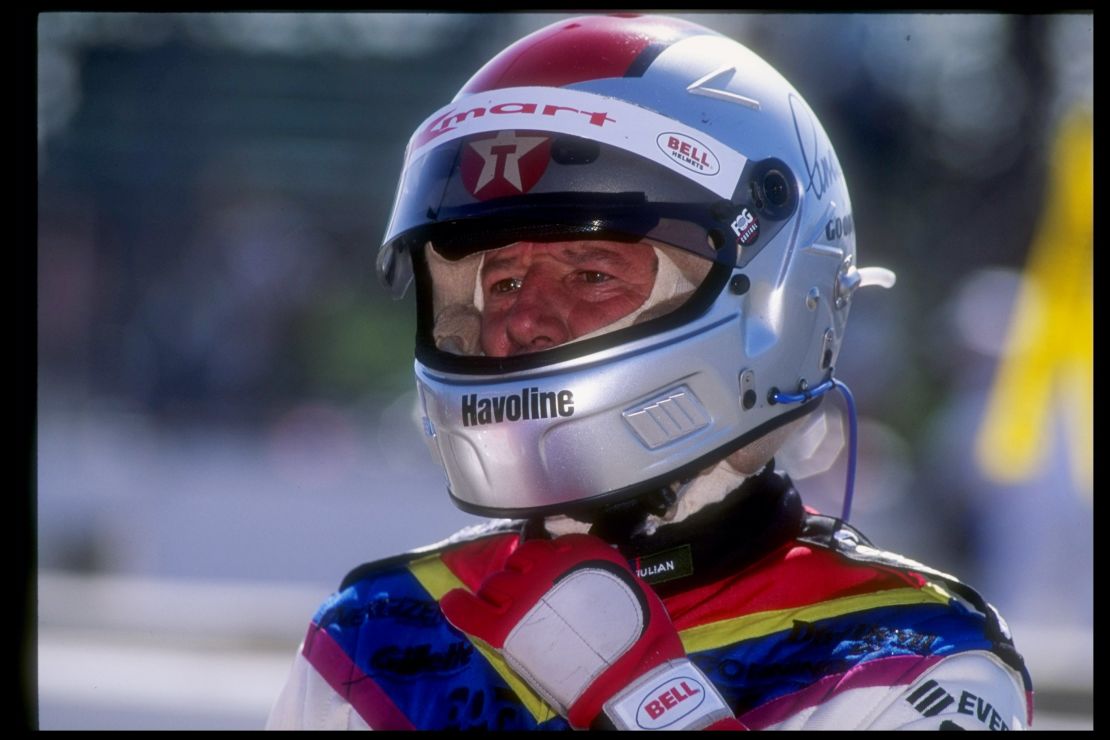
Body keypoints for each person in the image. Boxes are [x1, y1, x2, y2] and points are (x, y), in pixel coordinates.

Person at [266, 13, 1033, 731]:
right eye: (499, 283)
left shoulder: (915, 656)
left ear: (773, 298)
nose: (521, 320)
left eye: (591, 274)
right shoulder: (373, 637)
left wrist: (644, 701)